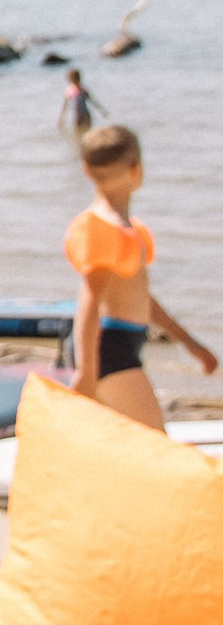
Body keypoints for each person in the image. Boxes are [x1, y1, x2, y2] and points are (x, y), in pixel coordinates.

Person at [66, 121, 215, 433]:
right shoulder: (102, 228)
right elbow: (89, 301)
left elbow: (140, 298)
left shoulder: (127, 229)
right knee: (155, 440)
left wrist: (190, 343)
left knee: (118, 441)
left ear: (86, 170)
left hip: (115, 345)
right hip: (107, 349)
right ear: (136, 168)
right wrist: (87, 371)